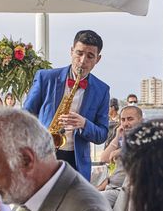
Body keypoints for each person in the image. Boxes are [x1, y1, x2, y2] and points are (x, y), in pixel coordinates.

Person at [24, 30, 110, 182]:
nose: (83, 61)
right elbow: (25, 116)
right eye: (79, 53)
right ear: (71, 51)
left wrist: (84, 124)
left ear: (98, 59)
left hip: (76, 162)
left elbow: (102, 134)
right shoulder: (46, 78)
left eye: (90, 56)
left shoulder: (102, 90)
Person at [97, 105, 143, 207]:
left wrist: (122, 151)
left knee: (92, 202)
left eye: (130, 119)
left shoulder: (145, 138)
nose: (126, 123)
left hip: (124, 191)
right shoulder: (122, 139)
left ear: (141, 120)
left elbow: (143, 149)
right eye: (123, 120)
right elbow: (104, 158)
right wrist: (118, 137)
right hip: (110, 186)